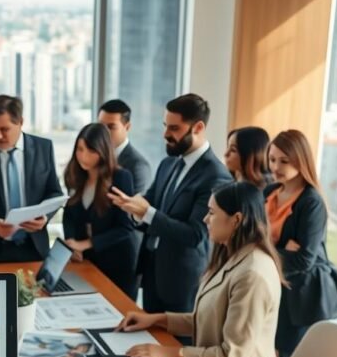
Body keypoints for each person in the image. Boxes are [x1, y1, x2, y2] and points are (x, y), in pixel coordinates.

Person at [117, 181, 286, 357]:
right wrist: (156, 319)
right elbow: (210, 319)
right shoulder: (231, 255)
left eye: (212, 213)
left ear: (236, 220)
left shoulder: (253, 274)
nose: (205, 219)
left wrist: (170, 352)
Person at [109, 94, 232, 313]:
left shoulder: (216, 175)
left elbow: (196, 235)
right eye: (165, 126)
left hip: (182, 283)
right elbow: (148, 203)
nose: (166, 134)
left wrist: (147, 212)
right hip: (152, 273)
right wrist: (131, 208)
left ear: (198, 127)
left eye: (174, 128)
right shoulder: (168, 164)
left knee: (176, 346)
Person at [0, 94, 64, 263]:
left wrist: (44, 217)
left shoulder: (44, 148)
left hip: (34, 247)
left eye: (4, 129)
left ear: (20, 122)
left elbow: (54, 192)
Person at [264, 129, 331, 357]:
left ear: (300, 160)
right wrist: (283, 248)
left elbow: (304, 260)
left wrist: (266, 250)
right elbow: (250, 238)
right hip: (274, 285)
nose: (275, 167)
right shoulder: (270, 192)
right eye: (272, 159)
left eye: (284, 160)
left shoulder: (311, 203)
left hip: (298, 294)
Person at [62, 123, 139, 299]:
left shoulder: (121, 178)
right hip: (87, 261)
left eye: (91, 151)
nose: (83, 156)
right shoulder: (75, 175)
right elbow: (69, 215)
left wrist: (86, 244)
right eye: (80, 149)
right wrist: (72, 242)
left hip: (117, 261)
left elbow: (125, 227)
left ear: (103, 151)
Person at [98, 99, 152, 195]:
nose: (104, 132)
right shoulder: (93, 156)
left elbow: (135, 207)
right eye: (101, 126)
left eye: (111, 127)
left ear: (127, 127)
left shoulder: (138, 166)